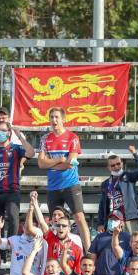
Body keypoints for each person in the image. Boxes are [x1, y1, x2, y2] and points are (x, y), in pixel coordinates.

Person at [38, 107, 91, 250]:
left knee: (79, 218)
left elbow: (69, 164)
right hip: (53, 186)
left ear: (63, 119)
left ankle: (89, 252)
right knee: (55, 221)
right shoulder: (45, 138)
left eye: (57, 117)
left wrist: (52, 163)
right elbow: (40, 163)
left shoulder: (72, 137)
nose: (54, 120)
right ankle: (54, 252)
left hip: (70, 184)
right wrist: (60, 160)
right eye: (51, 117)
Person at [0, 121, 35, 236]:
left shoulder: (16, 148)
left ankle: (12, 249)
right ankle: (1, 253)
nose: (0, 133)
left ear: (9, 133)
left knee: (13, 220)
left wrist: (19, 136)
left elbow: (31, 153)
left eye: (3, 130)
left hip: (11, 192)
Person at [98, 146, 138, 234]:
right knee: (114, 245)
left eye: (118, 164)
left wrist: (135, 154)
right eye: (113, 165)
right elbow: (102, 205)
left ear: (122, 163)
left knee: (134, 243)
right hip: (113, 220)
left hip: (129, 218)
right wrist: (100, 223)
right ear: (108, 167)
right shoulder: (105, 183)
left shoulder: (129, 176)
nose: (116, 167)